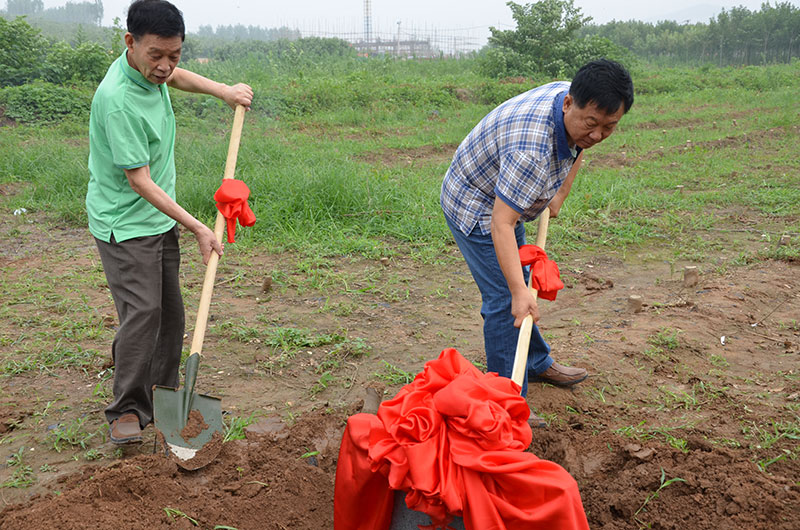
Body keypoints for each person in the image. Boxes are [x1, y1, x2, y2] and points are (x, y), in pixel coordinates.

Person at [87, 0, 253, 444]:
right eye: (156, 55)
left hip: (157, 217)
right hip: (125, 223)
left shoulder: (152, 71)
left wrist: (223, 91)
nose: (165, 66)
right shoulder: (117, 101)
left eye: (174, 55)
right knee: (143, 314)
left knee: (172, 315)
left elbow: (175, 78)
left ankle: (163, 398)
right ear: (130, 43)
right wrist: (199, 226)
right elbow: (139, 180)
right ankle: (126, 410)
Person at [440, 59, 634, 402]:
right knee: (506, 300)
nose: (598, 135)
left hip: (505, 193)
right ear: (569, 104)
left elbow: (580, 146)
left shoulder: (575, 100)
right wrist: (517, 292)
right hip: (476, 203)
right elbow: (501, 223)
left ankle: (533, 361)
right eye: (592, 123)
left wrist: (560, 192)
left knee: (520, 285)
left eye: (609, 127)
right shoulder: (530, 152)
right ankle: (507, 402)